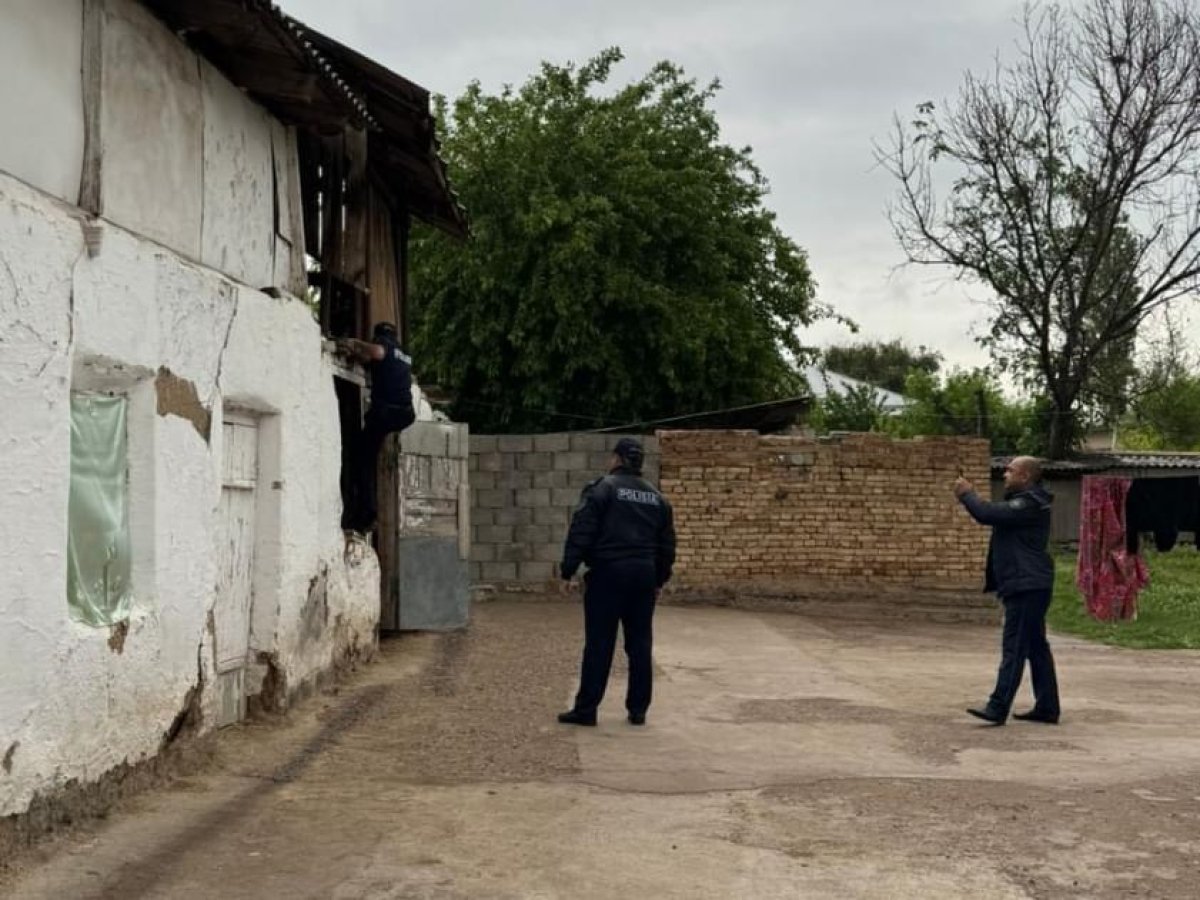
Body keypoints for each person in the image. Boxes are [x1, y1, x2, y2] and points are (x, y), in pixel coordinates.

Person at [557, 437, 676, 727]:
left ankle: (586, 710)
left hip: (608, 574)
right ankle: (638, 710)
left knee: (599, 643)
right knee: (640, 643)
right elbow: (667, 546)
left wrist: (568, 570)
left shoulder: (602, 489)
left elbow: (581, 531)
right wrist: (659, 579)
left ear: (617, 459)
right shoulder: (658, 498)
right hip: (643, 576)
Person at [954, 456, 1061, 726]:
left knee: (1015, 646)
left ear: (1025, 476)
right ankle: (1047, 707)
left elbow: (987, 514)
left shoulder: (1029, 504)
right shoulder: (1030, 501)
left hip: (1026, 585)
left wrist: (967, 494)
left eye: (1010, 471)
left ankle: (998, 706)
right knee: (1035, 647)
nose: (1005, 475)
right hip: (1028, 583)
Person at [338, 322, 416, 533]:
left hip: (387, 411)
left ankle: (366, 514)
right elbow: (376, 361)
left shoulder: (384, 345)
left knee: (361, 457)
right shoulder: (403, 355)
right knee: (369, 453)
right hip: (404, 413)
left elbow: (377, 352)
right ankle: (367, 511)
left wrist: (353, 343)